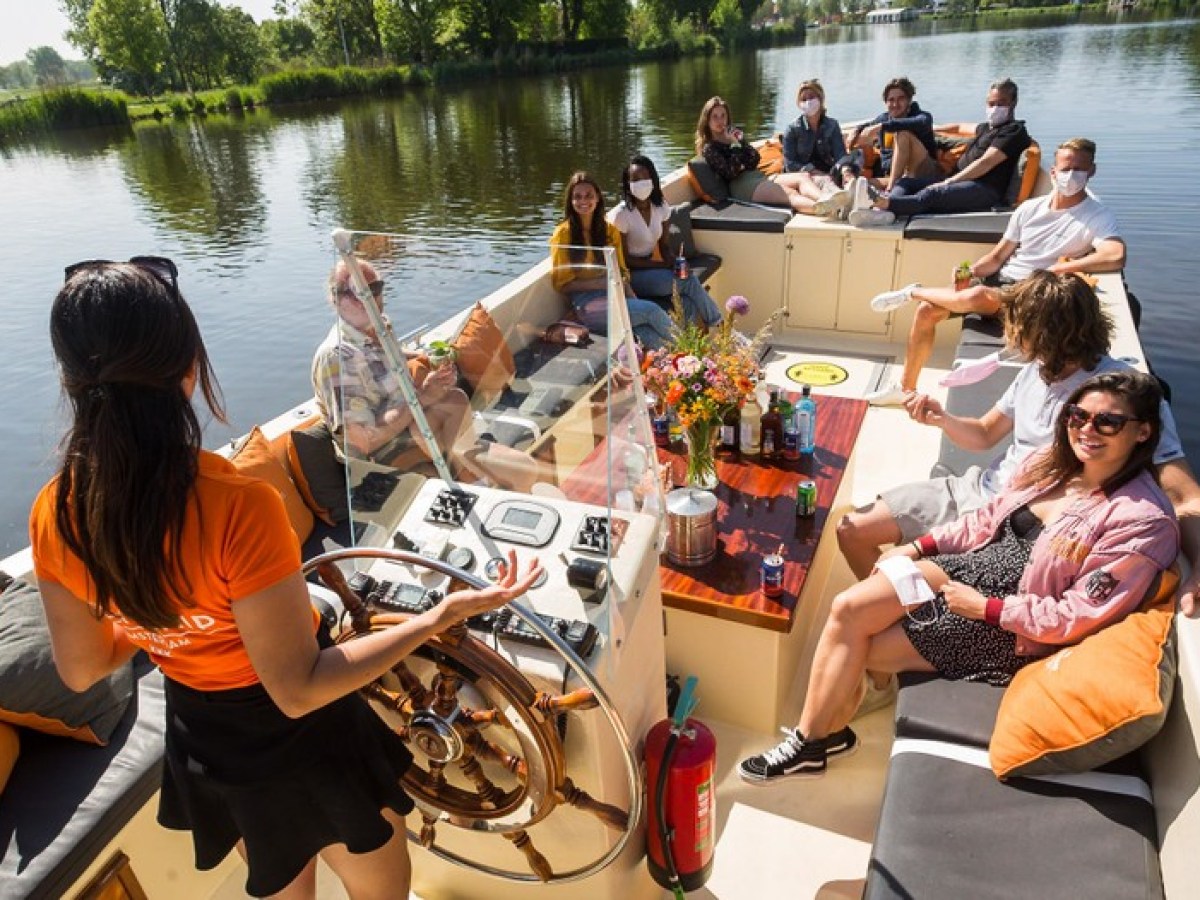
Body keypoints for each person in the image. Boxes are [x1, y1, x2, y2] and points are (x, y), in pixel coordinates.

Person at [29, 257, 546, 898]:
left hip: (206, 737)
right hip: (301, 740)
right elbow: (297, 690)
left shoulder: (56, 511)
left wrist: (164, 611)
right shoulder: (237, 506)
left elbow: (81, 669)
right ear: (188, 371)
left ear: (72, 379)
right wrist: (438, 617)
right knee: (382, 886)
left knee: (283, 887)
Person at [739, 369, 1180, 784]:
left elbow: (1078, 613)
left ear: (1142, 431)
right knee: (849, 609)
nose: (1087, 429)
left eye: (1107, 422)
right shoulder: (1052, 462)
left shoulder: (1141, 520)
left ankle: (824, 737)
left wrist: (985, 607)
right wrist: (917, 546)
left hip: (1011, 626)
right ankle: (810, 741)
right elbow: (984, 521)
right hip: (968, 570)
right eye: (1078, 415)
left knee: (868, 649)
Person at [865, 137, 1125, 406]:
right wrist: (971, 270)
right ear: (1054, 172)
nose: (1072, 176)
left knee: (978, 296)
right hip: (1004, 284)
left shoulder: (1096, 215)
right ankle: (906, 388)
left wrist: (1062, 268)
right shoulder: (1030, 209)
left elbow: (1115, 255)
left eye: (1080, 169)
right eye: (1066, 169)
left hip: (1037, 296)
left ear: (1092, 170)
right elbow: (998, 256)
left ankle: (912, 291)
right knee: (927, 311)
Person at [313, 259, 538, 491]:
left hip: (417, 426)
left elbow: (389, 357)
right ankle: (466, 476)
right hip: (383, 458)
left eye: (373, 289)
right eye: (353, 292)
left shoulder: (377, 327)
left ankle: (463, 471)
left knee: (456, 398)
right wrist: (422, 397)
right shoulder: (338, 359)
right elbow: (362, 443)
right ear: (335, 298)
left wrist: (429, 360)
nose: (365, 299)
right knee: (522, 471)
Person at [848, 78, 1032, 227]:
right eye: (991, 103)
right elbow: (960, 126)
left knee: (931, 194)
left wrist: (950, 181)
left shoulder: (1013, 131)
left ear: (1013, 103)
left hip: (984, 188)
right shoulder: (987, 127)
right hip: (960, 179)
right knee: (907, 183)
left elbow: (986, 162)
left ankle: (884, 204)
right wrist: (935, 130)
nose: (995, 109)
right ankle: (885, 212)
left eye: (1002, 103)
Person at [550, 171, 675, 350]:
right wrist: (601, 283)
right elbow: (561, 284)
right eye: (577, 197)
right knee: (652, 310)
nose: (583, 201)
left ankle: (683, 369)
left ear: (598, 198)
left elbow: (621, 271)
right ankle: (692, 354)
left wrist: (631, 296)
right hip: (587, 306)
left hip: (614, 297)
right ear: (570, 201)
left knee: (647, 334)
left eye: (588, 196)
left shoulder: (609, 230)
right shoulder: (563, 235)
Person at [612, 155, 721, 328]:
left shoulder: (660, 207)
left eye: (646, 178)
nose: (641, 183)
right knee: (689, 281)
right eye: (635, 179)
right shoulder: (622, 215)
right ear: (628, 184)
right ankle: (721, 325)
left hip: (651, 268)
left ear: (653, 179)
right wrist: (661, 265)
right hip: (630, 275)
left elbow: (664, 247)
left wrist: (675, 261)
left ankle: (689, 348)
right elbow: (624, 260)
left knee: (687, 302)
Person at [844, 77, 939, 194]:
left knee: (902, 133)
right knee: (859, 184)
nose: (895, 104)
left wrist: (882, 127)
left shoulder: (922, 117)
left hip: (923, 172)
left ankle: (890, 191)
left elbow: (920, 123)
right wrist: (856, 130)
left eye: (901, 99)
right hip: (896, 176)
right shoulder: (884, 118)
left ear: (909, 100)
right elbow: (867, 126)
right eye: (891, 100)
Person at [695, 96, 793, 208]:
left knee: (803, 179)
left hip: (755, 175)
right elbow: (731, 172)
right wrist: (735, 144)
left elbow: (754, 159)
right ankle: (817, 213)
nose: (720, 121)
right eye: (715, 117)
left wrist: (739, 142)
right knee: (791, 194)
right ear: (707, 121)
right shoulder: (710, 148)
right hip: (740, 185)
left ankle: (818, 203)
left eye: (723, 116)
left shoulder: (732, 135)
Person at [777, 79, 852, 218]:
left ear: (821, 99)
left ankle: (858, 197)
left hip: (830, 171)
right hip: (803, 175)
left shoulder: (832, 125)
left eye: (811, 97)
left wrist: (846, 171)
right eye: (803, 99)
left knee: (852, 167)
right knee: (825, 181)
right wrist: (815, 171)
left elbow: (840, 155)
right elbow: (790, 164)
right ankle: (843, 204)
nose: (808, 102)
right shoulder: (792, 129)